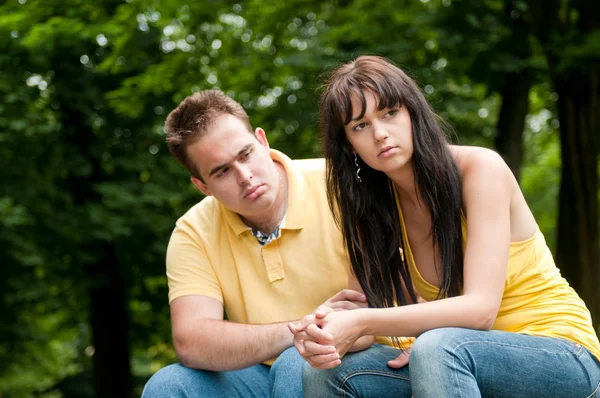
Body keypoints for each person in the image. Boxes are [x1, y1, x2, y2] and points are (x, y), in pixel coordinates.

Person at [289, 56, 600, 397]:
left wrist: (366, 321)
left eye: (389, 113)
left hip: (560, 354)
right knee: (327, 373)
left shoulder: (480, 170)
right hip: (456, 357)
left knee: (437, 347)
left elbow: (480, 310)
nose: (380, 134)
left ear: (412, 112)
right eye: (360, 126)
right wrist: (328, 333)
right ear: (348, 144)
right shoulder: (370, 208)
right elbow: (366, 327)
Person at [141, 89, 367, 397]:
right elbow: (192, 341)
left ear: (262, 140)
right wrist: (295, 331)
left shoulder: (340, 186)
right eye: (222, 172)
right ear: (202, 186)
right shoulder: (193, 231)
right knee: (169, 386)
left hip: (365, 360)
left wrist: (298, 344)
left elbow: (364, 316)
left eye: (245, 154)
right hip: (266, 371)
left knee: (295, 365)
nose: (245, 176)